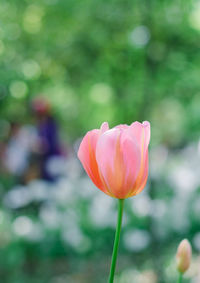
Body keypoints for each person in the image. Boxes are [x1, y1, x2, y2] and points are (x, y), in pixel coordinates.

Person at [32, 97, 62, 181]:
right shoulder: (39, 126)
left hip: (53, 157)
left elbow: (51, 143)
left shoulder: (51, 124)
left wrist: (41, 147)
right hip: (44, 159)